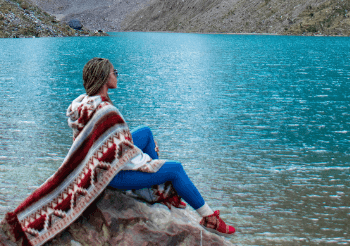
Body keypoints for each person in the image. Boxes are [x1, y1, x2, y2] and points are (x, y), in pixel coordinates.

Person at [68, 57, 236, 236]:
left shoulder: (84, 104)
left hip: (97, 168)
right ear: (103, 77)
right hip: (111, 174)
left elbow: (103, 147)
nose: (117, 76)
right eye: (114, 73)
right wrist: (151, 163)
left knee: (145, 132)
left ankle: (160, 190)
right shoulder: (106, 111)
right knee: (175, 169)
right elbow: (120, 156)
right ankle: (209, 218)